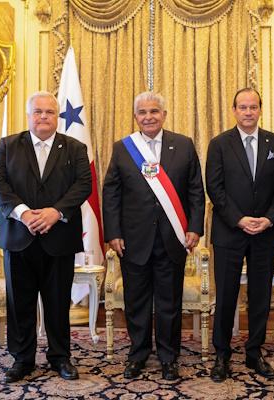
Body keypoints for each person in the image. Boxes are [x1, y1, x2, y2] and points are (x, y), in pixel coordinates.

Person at [0, 91, 92, 383]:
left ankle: (60, 357)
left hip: (59, 237)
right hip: (18, 236)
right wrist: (23, 213)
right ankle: (22, 359)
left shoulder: (75, 147)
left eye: (49, 112)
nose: (43, 116)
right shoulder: (8, 145)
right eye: (38, 111)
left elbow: (83, 185)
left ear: (57, 116)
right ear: (29, 115)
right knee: (19, 302)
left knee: (58, 303)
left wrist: (55, 213)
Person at [102, 91, 205, 380]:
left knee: (169, 302)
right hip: (133, 240)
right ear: (136, 116)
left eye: (154, 111)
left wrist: (195, 227)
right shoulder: (123, 148)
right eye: (143, 112)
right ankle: (138, 354)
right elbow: (111, 193)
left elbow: (196, 190)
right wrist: (113, 232)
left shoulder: (183, 145)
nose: (149, 117)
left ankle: (169, 357)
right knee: (136, 302)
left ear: (164, 115)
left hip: (172, 238)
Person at [206, 88, 274, 382]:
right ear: (234, 110)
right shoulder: (219, 144)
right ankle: (222, 354)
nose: (248, 112)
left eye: (253, 107)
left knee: (260, 296)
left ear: (260, 110)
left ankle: (255, 352)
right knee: (226, 295)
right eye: (242, 107)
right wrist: (239, 219)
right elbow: (214, 188)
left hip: (265, 233)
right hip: (229, 232)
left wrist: (268, 219)